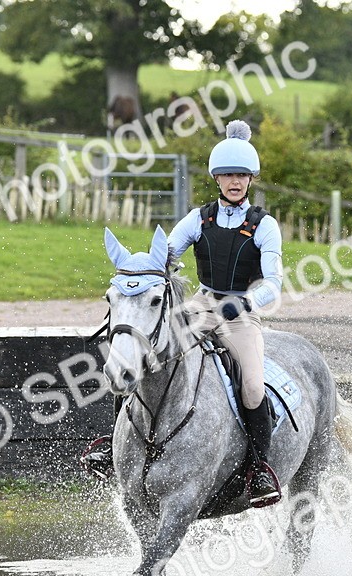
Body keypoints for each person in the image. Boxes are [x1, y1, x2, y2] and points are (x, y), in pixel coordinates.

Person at [82, 120, 284, 508]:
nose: (235, 182)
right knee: (135, 358)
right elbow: (163, 260)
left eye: (241, 175)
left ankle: (259, 469)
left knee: (253, 387)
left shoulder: (264, 224)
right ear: (216, 178)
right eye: (227, 175)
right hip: (199, 307)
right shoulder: (198, 218)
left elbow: (273, 284)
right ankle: (112, 445)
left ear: (251, 178)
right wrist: (136, 277)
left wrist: (245, 303)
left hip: (240, 312)